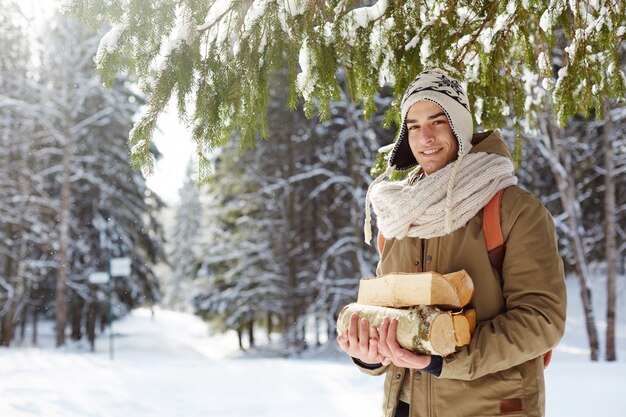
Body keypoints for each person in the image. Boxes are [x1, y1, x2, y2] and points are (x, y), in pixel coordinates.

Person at [336, 69, 566, 417]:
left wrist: (444, 359)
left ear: (460, 124)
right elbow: (393, 318)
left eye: (438, 121)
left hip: (490, 408)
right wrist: (369, 355)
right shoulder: (400, 214)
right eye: (413, 126)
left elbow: (541, 320)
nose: (424, 137)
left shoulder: (512, 209)